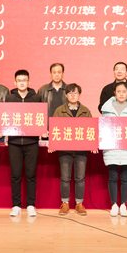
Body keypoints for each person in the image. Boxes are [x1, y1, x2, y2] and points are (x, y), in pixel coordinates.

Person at [0, 70, 42, 217]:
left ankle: (31, 205)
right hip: (14, 142)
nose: (22, 82)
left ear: (29, 82)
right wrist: (1, 130)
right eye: (19, 80)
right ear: (15, 82)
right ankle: (16, 205)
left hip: (31, 142)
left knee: (31, 174)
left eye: (24, 80)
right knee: (15, 175)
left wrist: (43, 130)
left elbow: (41, 117)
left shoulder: (36, 98)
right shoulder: (9, 98)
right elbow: (4, 117)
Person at [51, 83, 93, 216]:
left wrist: (92, 144)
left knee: (80, 178)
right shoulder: (59, 111)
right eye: (70, 93)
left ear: (79, 95)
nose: (73, 96)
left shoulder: (86, 111)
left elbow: (90, 129)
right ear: (66, 95)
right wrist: (52, 144)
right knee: (65, 178)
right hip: (65, 150)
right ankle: (65, 203)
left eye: (75, 93)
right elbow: (54, 129)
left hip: (81, 150)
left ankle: (79, 204)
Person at [100, 82, 127, 217]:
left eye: (124, 91)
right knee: (112, 177)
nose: (121, 94)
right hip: (112, 149)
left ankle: (123, 205)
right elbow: (102, 128)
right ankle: (114, 205)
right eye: (118, 91)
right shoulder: (106, 109)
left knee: (125, 177)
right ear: (114, 93)